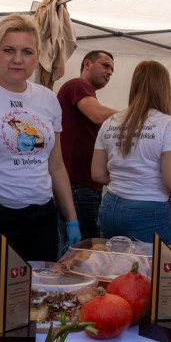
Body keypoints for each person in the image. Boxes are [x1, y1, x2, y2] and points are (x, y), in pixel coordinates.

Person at [0, 13, 82, 263]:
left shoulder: (48, 99)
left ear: (37, 56)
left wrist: (72, 219)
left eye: (27, 52)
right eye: (8, 50)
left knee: (38, 295)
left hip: (43, 219)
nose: (17, 59)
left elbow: (56, 166)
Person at [91, 60, 171, 243]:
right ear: (164, 88)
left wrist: (126, 179)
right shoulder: (167, 124)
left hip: (110, 206)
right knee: (149, 270)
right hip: (148, 209)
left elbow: (97, 174)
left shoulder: (110, 122)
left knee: (115, 267)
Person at [57, 50, 117, 239]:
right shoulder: (78, 84)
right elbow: (98, 114)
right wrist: (136, 114)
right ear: (87, 64)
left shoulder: (86, 94)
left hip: (84, 185)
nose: (109, 72)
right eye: (105, 65)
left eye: (112, 69)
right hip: (78, 185)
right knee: (83, 252)